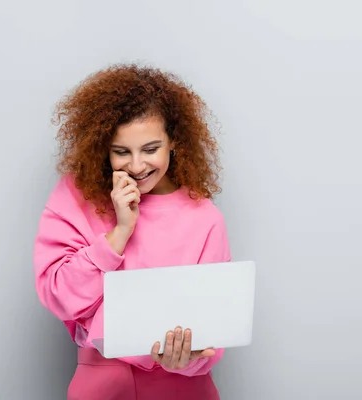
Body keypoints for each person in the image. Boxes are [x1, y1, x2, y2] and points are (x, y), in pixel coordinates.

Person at [33, 63, 231, 400]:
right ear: (103, 148)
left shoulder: (205, 218)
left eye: (151, 149)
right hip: (102, 383)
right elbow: (59, 296)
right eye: (121, 152)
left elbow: (214, 336)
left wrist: (184, 360)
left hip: (183, 388)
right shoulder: (76, 196)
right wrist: (120, 233)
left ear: (174, 143)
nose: (137, 166)